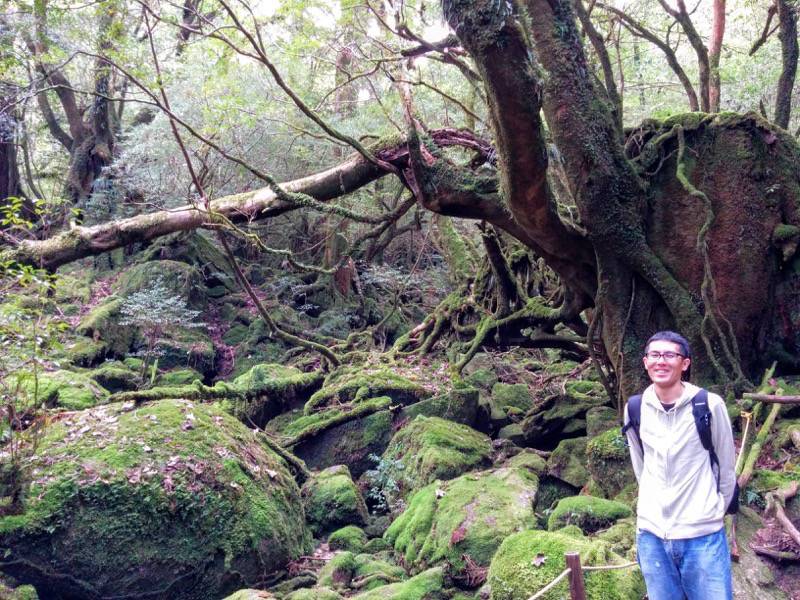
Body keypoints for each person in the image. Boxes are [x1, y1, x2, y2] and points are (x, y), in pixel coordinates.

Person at [624, 331, 736, 600]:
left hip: (702, 534)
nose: (660, 361)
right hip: (651, 535)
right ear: (645, 361)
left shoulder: (709, 405)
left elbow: (726, 465)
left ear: (684, 363)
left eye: (669, 355)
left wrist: (713, 510)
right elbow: (640, 465)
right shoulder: (635, 408)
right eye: (654, 355)